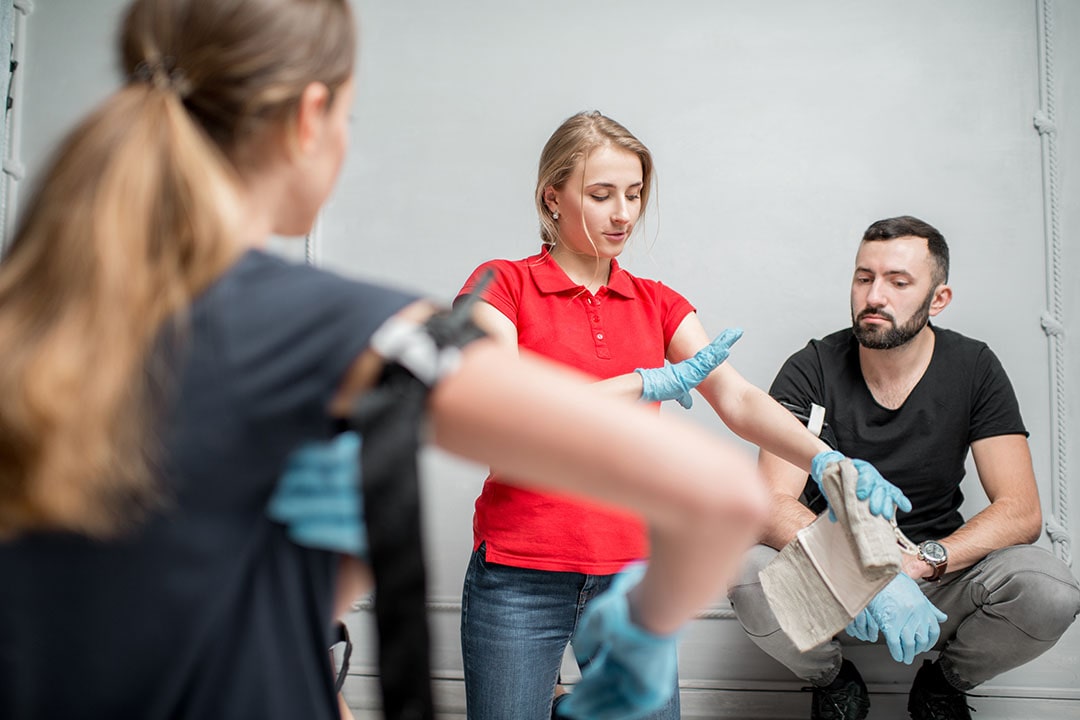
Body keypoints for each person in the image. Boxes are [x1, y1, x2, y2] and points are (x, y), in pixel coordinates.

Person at [0, 1, 780, 718]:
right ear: (311, 116)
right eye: (348, 112)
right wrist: (643, 633)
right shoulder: (343, 325)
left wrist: (322, 580)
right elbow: (719, 496)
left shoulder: (32, 307)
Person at [454, 111, 907, 720]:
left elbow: (738, 399)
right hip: (519, 575)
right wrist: (642, 383)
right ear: (552, 197)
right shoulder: (501, 286)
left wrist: (827, 459)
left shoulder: (656, 303)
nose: (624, 214)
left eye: (635, 194)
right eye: (601, 194)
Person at [728, 215, 1080, 720]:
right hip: (833, 577)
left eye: (898, 282)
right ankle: (834, 683)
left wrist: (917, 564)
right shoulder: (812, 367)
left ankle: (943, 686)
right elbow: (770, 505)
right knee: (748, 575)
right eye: (864, 277)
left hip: (937, 573)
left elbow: (1021, 511)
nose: (874, 296)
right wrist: (867, 570)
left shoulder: (974, 367)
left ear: (938, 298)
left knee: (1050, 589)